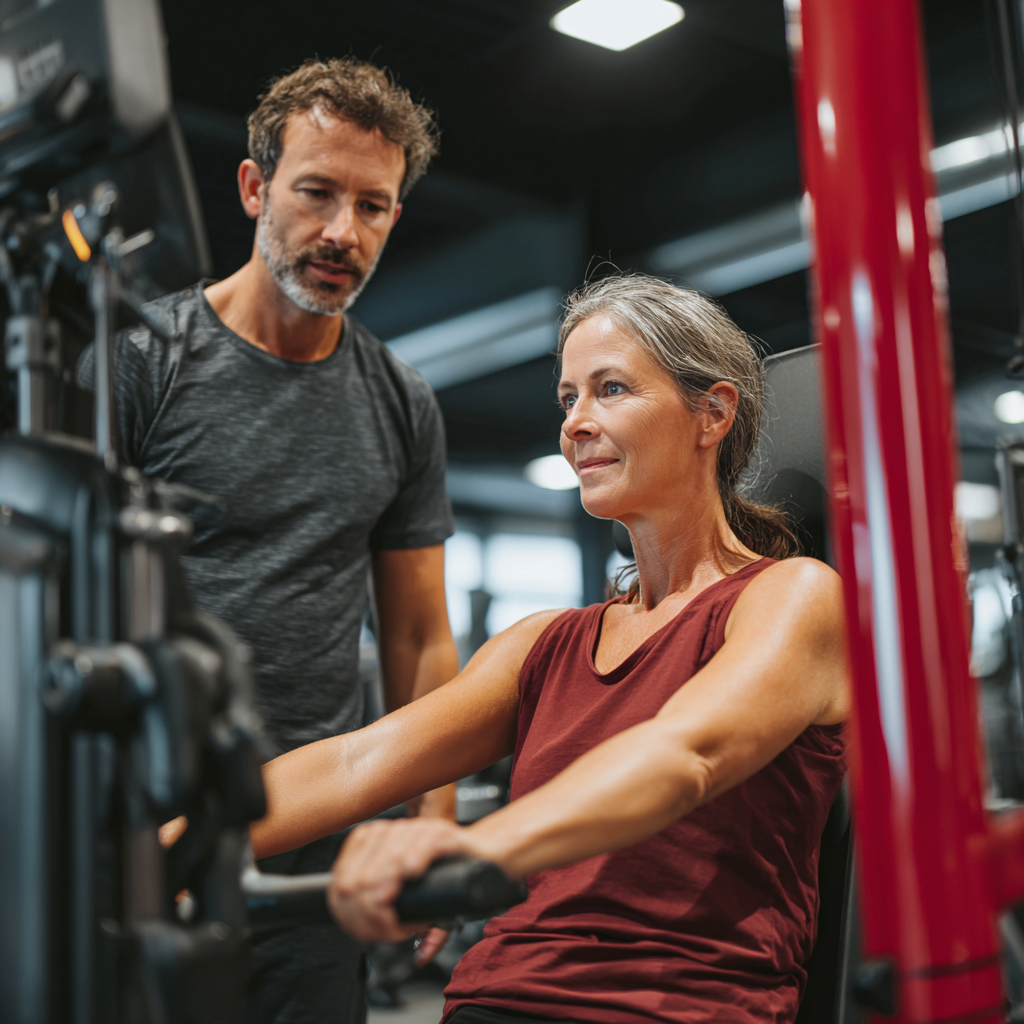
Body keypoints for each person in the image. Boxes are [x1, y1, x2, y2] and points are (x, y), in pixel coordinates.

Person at [245, 274, 851, 1023]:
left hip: (673, 1007)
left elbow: (683, 756)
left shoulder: (793, 597)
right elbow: (355, 761)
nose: (577, 422)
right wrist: (166, 846)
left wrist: (473, 852)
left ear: (712, 413)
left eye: (612, 389)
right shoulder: (545, 644)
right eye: (569, 399)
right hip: (494, 1001)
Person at [79, 59, 459, 1024]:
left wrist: (436, 818)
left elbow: (418, 636)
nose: (342, 231)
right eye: (316, 192)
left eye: (372, 206)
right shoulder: (139, 362)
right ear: (255, 188)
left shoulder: (401, 402)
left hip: (311, 851)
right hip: (135, 830)